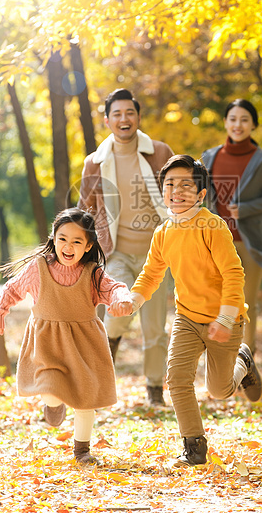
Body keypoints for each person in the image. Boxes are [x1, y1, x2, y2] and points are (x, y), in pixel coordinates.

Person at [109, 155, 262, 467]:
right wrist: (133, 301)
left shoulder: (212, 226)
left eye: (185, 185)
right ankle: (194, 448)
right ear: (161, 190)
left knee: (219, 391)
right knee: (177, 378)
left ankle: (243, 361)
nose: (176, 191)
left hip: (225, 319)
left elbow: (235, 274)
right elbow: (151, 275)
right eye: (169, 184)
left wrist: (224, 317)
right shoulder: (163, 232)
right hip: (187, 317)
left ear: (201, 194)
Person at [0, 207, 132, 466]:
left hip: (84, 344)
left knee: (85, 399)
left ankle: (82, 451)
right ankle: (54, 403)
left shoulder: (92, 273)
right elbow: (12, 289)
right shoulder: (39, 268)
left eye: (77, 241)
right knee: (51, 389)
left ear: (88, 246)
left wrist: (122, 300)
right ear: (53, 238)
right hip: (48, 344)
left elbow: (115, 288)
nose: (68, 245)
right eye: (63, 238)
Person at [78, 88, 173, 406]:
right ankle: (111, 346)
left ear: (138, 117)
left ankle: (154, 389)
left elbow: (178, 193)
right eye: (116, 114)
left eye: (129, 113)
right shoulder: (95, 162)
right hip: (115, 252)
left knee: (155, 327)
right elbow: (85, 209)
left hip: (157, 255)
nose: (123, 119)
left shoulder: (159, 152)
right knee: (115, 315)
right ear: (107, 121)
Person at [202, 99, 262, 354]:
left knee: (246, 302)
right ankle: (222, 359)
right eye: (233, 119)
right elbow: (199, 194)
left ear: (253, 125)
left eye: (244, 119)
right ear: (226, 122)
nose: (238, 125)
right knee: (216, 302)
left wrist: (247, 208)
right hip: (217, 242)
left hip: (250, 242)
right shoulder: (208, 157)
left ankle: (248, 358)